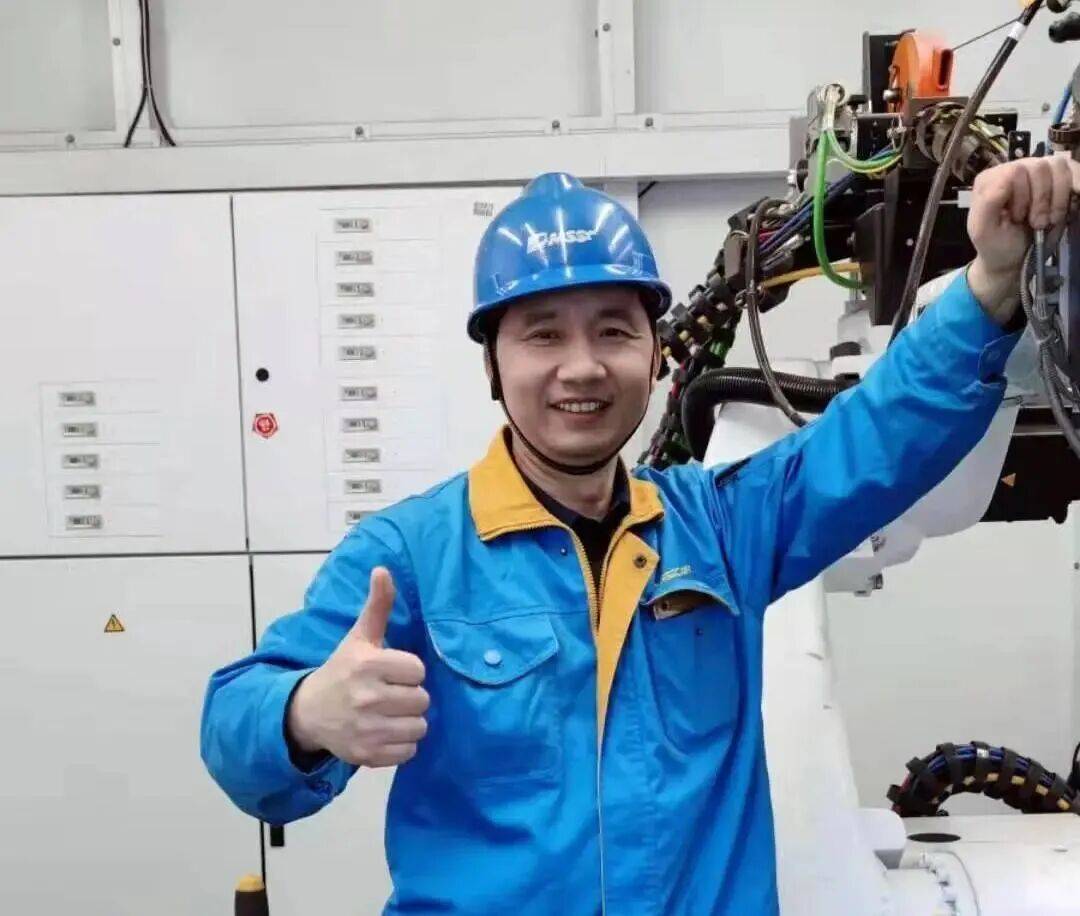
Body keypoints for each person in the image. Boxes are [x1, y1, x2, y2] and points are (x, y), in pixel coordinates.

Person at [202, 159, 1078, 914]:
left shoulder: (726, 525)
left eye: (614, 331)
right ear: (493, 364)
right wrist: (305, 713)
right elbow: (237, 727)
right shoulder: (410, 556)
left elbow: (878, 435)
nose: (582, 366)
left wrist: (992, 283)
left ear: (656, 357)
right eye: (543, 334)